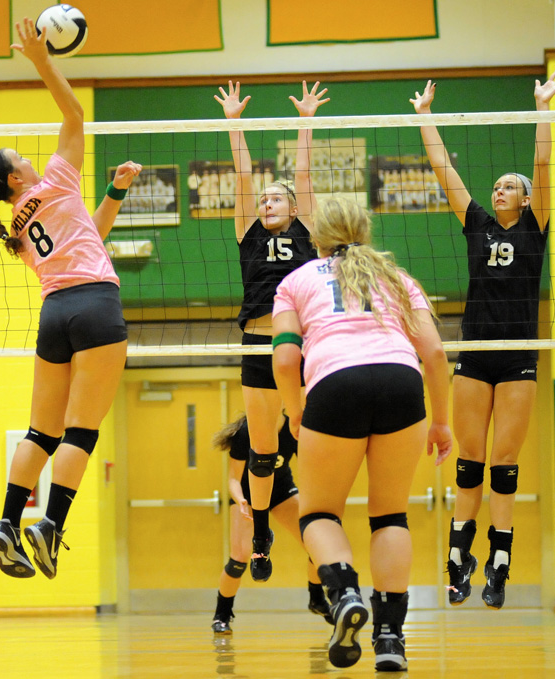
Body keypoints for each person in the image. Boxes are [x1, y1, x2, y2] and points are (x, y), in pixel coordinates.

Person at [0, 18, 141, 579]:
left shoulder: (16, 228)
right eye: (18, 158)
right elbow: (75, 115)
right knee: (80, 430)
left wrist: (115, 193)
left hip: (55, 314)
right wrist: (43, 62)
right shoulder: (53, 181)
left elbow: (86, 237)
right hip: (95, 304)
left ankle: (5, 522)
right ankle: (49, 525)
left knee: (40, 432)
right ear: (17, 178)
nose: (26, 158)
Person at [410, 70, 555, 609]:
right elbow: (443, 170)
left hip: (519, 356)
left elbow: (543, 165)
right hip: (475, 353)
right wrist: (424, 117)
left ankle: (500, 566)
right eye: (498, 185)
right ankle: (459, 562)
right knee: (469, 462)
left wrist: (541, 107)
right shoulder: (477, 223)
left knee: (504, 464)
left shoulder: (534, 227)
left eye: (510, 186)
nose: (501, 189)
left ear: (526, 201)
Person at [272, 197, 452, 671]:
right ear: (365, 231)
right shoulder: (398, 277)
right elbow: (434, 355)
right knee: (390, 514)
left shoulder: (295, 281)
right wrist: (441, 421)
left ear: (316, 239)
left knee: (318, 512)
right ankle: (391, 637)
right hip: (401, 381)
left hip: (335, 383)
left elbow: (286, 360)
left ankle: (344, 590)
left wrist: (295, 413)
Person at [214, 79, 329, 581]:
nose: (267, 202)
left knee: (309, 441)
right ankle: (261, 531)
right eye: (264, 200)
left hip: (304, 349)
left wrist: (306, 121)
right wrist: (234, 124)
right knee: (264, 451)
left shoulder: (308, 232)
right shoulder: (249, 234)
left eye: (276, 198)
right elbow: (242, 178)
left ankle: (320, 527)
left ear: (293, 206)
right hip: (258, 346)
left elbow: (301, 174)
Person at [210, 413, 332, 634]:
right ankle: (222, 616)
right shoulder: (246, 432)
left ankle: (316, 598)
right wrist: (240, 500)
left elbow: (309, 465)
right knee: (239, 557)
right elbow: (233, 479)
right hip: (247, 495)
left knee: (315, 543)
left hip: (281, 491)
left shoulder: (292, 428)